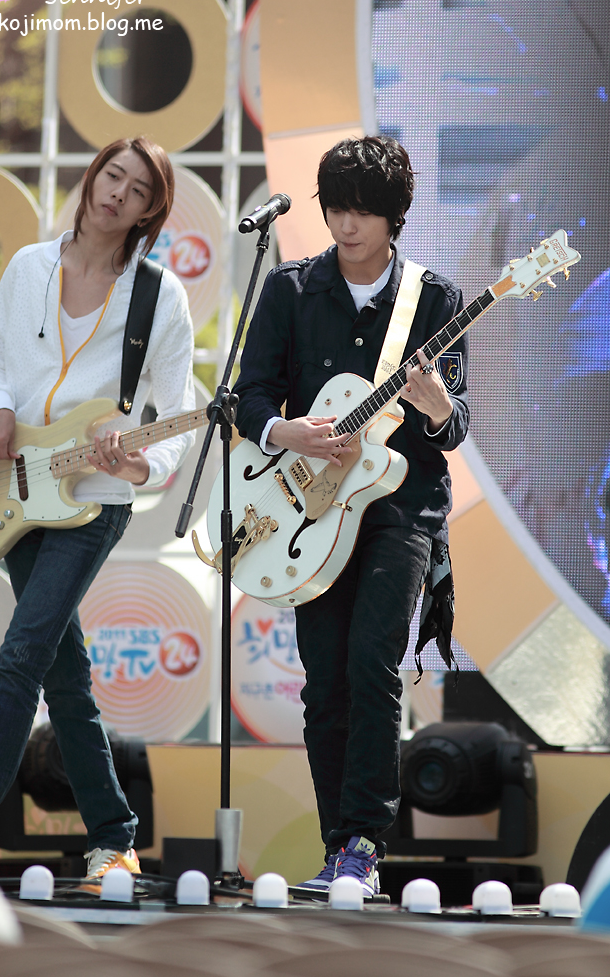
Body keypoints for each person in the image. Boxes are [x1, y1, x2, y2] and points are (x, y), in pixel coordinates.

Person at [0, 135, 196, 880]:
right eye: (113, 175)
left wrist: (139, 462)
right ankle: (115, 837)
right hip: (14, 486)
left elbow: (176, 415)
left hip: (92, 500)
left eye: (138, 191)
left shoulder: (160, 295)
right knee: (64, 677)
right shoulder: (28, 266)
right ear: (91, 177)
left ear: (149, 213)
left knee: (20, 655)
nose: (118, 193)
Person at [233, 136, 469, 897]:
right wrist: (287, 432)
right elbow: (248, 396)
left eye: (363, 210)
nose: (346, 224)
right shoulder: (291, 290)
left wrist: (438, 408)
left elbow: (454, 427)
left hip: (402, 508)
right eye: (336, 207)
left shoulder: (435, 300)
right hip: (312, 512)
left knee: (372, 664)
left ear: (395, 215)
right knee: (324, 681)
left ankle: (364, 844)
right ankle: (338, 848)